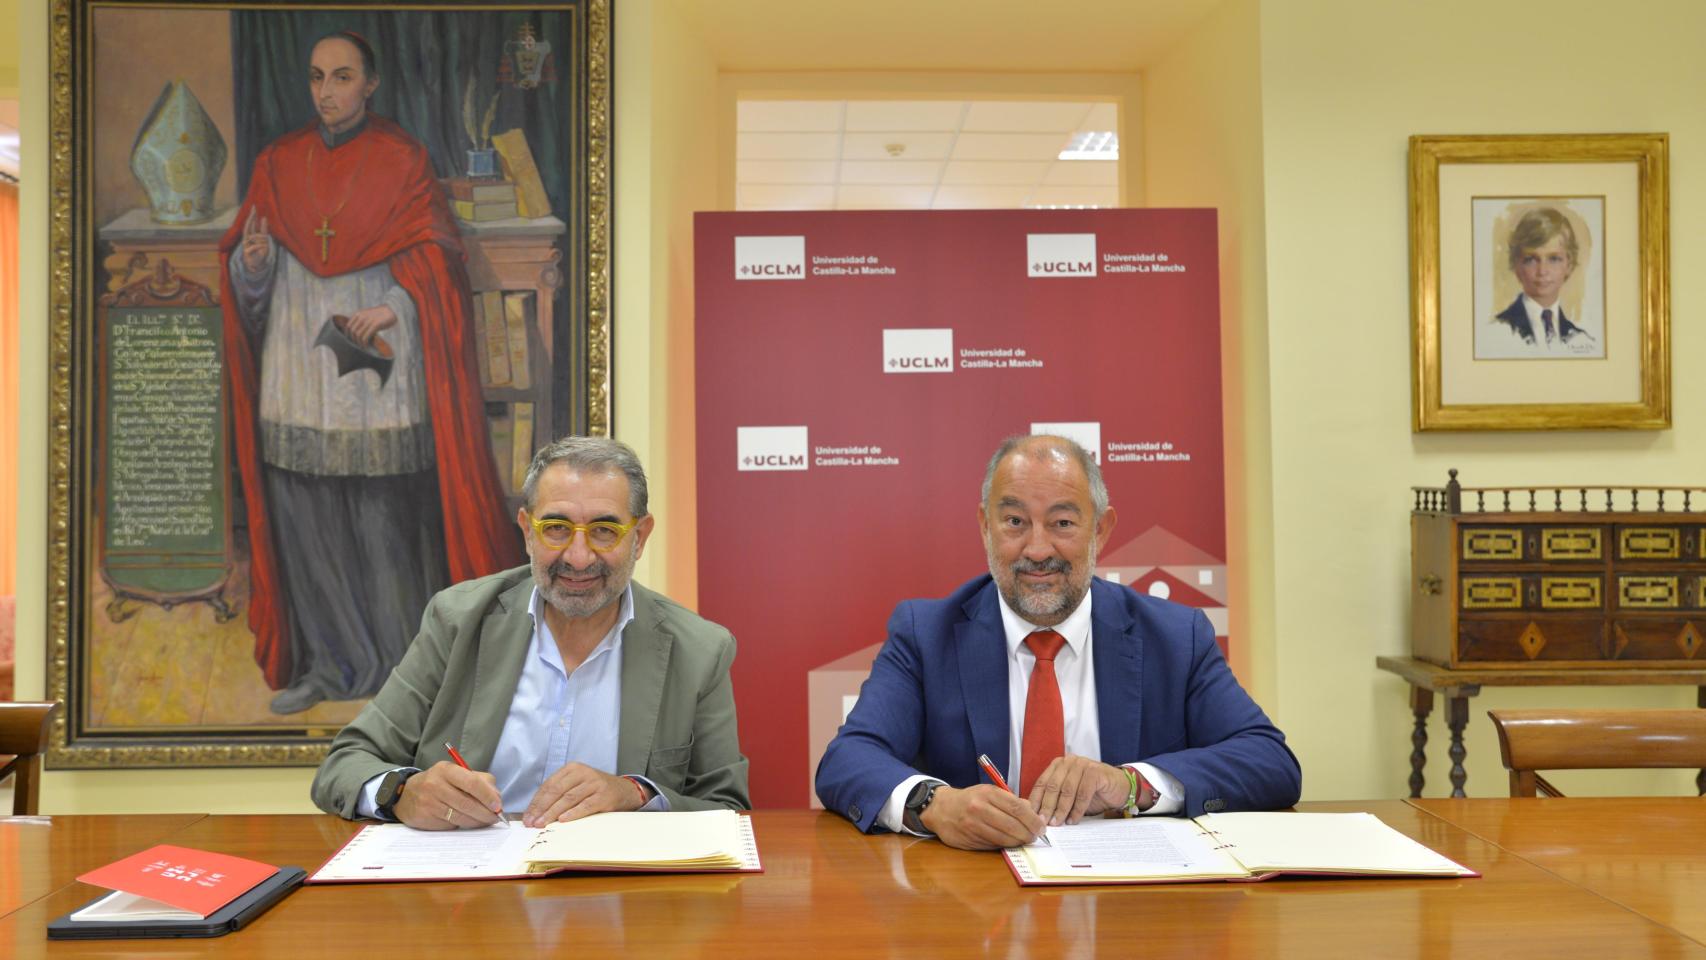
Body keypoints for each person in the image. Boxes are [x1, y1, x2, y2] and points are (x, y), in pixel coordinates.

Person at [218, 30, 515, 715]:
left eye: (342, 77)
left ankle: (404, 673)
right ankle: (326, 665)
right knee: (308, 522)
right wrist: (255, 264)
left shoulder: (402, 158)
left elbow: (437, 263)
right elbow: (247, 277)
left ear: (370, 83)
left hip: (379, 373)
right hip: (297, 369)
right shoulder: (278, 161)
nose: (327, 92)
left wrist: (391, 305)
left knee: (386, 529)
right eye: (318, 77)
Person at [815, 435, 1300, 850]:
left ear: (1101, 530)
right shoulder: (927, 632)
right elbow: (848, 760)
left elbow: (1270, 762)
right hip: (972, 906)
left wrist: (1130, 784)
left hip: (1131, 905)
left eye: (1063, 523)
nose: (1038, 549)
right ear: (986, 527)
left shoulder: (1176, 637)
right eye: (1014, 522)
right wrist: (936, 806)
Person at [311, 436, 750, 828]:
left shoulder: (699, 650)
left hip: (620, 899)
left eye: (604, 530)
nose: (579, 558)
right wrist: (401, 793)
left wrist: (637, 794)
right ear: (526, 530)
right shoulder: (458, 620)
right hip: (463, 899)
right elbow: (343, 765)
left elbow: (727, 808)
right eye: (556, 528)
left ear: (639, 536)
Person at [1488, 207, 1596, 355]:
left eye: (1554, 259)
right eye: (1531, 259)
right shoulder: (1497, 331)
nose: (1542, 271)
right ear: (1517, 266)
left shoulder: (1579, 338)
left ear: (1569, 265)